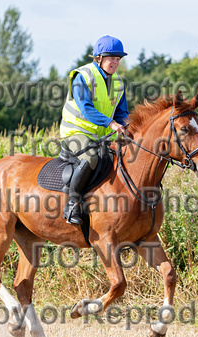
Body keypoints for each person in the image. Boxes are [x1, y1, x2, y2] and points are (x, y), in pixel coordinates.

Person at [60, 35, 129, 225]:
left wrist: (129, 125)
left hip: (102, 135)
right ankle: (72, 204)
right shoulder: (82, 76)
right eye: (111, 58)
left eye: (118, 59)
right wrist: (111, 124)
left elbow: (122, 112)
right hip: (75, 132)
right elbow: (86, 108)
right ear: (98, 58)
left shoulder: (118, 83)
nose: (115, 62)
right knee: (91, 157)